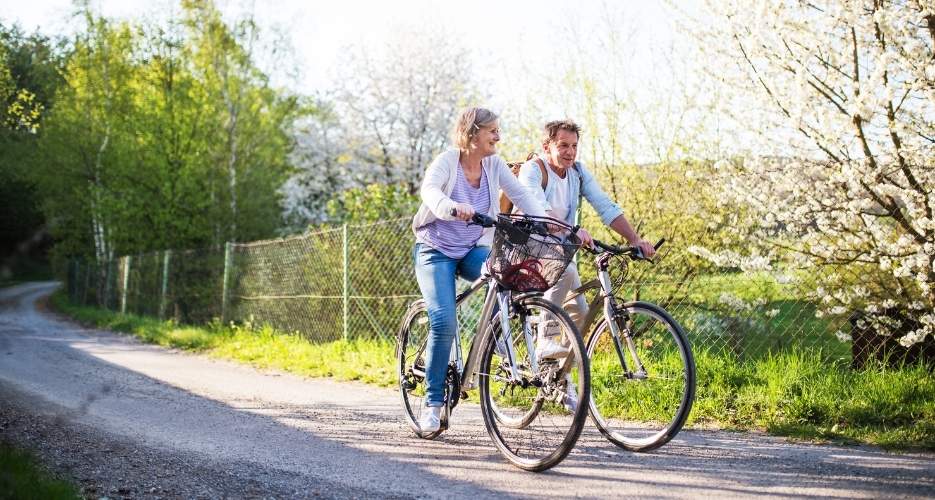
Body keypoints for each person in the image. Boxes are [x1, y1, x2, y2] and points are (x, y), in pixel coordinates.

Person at [411, 107, 549, 434]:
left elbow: (520, 195)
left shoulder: (493, 165)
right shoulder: (448, 161)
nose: (499, 137)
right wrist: (449, 207)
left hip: (473, 248)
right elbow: (430, 190)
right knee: (444, 321)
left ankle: (498, 349)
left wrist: (546, 223)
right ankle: (433, 403)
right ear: (472, 133)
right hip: (435, 250)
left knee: (506, 280)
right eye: (492, 131)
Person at [516, 119, 656, 410]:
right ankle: (546, 353)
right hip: (527, 249)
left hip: (561, 252)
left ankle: (560, 379)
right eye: (563, 145)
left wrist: (635, 240)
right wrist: (570, 232)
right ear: (547, 146)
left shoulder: (577, 173)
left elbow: (605, 206)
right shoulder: (534, 170)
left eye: (574, 146)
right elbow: (538, 212)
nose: (570, 152)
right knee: (565, 272)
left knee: (581, 318)